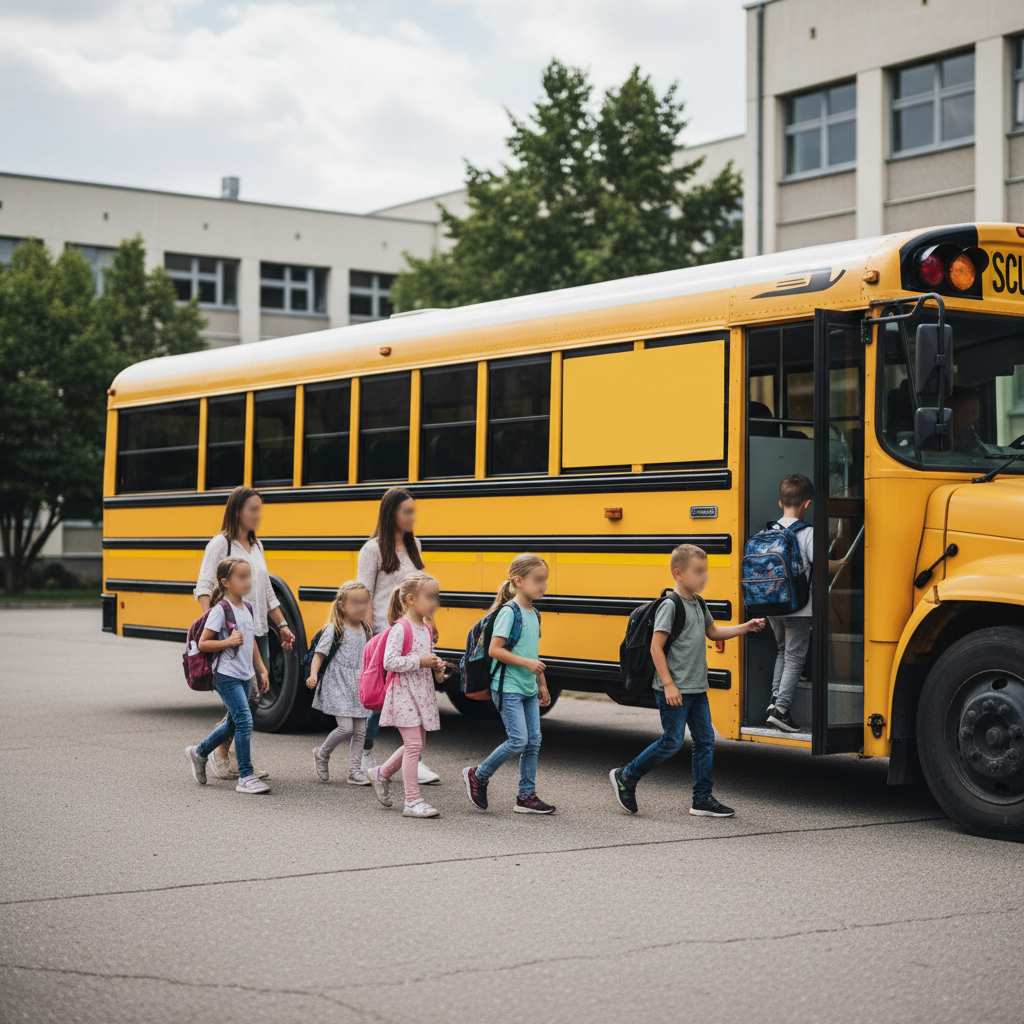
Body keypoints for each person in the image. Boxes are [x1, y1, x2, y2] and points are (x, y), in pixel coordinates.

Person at [609, 544, 765, 818]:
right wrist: (669, 684)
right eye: (698, 572)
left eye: (706, 572)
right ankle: (626, 775)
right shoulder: (671, 605)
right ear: (678, 573)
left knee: (705, 740)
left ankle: (701, 799)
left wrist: (745, 628)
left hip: (696, 687)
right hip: (675, 689)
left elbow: (713, 632)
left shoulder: (698, 602)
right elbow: (656, 647)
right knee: (671, 741)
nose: (704, 577)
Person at [194, 486, 295, 780]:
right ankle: (222, 754)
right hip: (232, 637)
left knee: (253, 699)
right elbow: (203, 588)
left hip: (257, 632)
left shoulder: (256, 546)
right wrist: (214, 625)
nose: (258, 515)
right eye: (253, 509)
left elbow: (266, 592)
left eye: (259, 509)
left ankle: (223, 751)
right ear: (238, 511)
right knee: (242, 701)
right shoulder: (220, 545)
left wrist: (283, 625)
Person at [356, 487, 440, 786]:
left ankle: (414, 759)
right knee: (381, 698)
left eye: (413, 511)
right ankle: (365, 754)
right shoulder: (373, 550)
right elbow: (363, 596)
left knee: (418, 697)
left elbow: (422, 591)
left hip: (416, 633)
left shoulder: (414, 544)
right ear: (391, 513)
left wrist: (430, 623)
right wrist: (367, 639)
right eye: (406, 511)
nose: (412, 516)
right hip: (385, 632)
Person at [462, 554, 556, 815]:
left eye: (544, 580)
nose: (543, 586)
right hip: (507, 686)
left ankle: (526, 796)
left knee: (534, 741)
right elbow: (495, 650)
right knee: (518, 740)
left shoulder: (534, 613)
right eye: (538, 580)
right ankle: (478, 775)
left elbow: (533, 653)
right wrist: (526, 665)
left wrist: (542, 684)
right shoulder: (508, 612)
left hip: (527, 686)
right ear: (518, 580)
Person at [765, 473, 844, 733]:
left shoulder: (767, 531)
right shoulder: (808, 533)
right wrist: (841, 564)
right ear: (807, 504)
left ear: (780, 503)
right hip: (799, 606)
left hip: (770, 604)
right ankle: (782, 709)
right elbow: (821, 566)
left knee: (781, 651)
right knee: (795, 657)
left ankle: (774, 700)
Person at [186, 557, 271, 794]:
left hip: (245, 674)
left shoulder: (248, 608)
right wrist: (228, 641)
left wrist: (261, 669)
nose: (247, 582)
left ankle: (200, 752)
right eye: (241, 577)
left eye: (248, 576)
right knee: (244, 721)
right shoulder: (220, 610)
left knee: (233, 724)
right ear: (225, 582)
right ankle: (246, 775)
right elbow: (203, 644)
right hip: (226, 675)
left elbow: (251, 641)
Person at [366, 572, 447, 818]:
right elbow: (389, 662)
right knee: (413, 745)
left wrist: (436, 667)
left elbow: (423, 658)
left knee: (417, 743)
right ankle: (412, 801)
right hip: (403, 694)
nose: (436, 602)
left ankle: (381, 773)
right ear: (410, 599)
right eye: (431, 596)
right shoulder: (400, 629)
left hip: (421, 692)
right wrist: (420, 661)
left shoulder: (426, 627)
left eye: (437, 596)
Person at [307, 581, 373, 785]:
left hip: (358, 684)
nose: (361, 607)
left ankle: (355, 771)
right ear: (343, 605)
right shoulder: (335, 629)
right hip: (338, 683)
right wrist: (313, 674)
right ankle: (322, 753)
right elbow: (319, 654)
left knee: (361, 730)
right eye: (355, 603)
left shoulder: (366, 629)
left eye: (364, 603)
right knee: (346, 728)